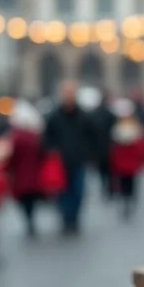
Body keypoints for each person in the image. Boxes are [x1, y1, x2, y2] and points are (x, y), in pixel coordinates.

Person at [44, 82, 96, 235]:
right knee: (63, 193)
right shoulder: (54, 116)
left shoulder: (84, 116)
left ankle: (74, 218)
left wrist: (89, 153)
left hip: (78, 160)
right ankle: (66, 218)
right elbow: (47, 138)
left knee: (78, 192)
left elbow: (92, 136)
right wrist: (52, 151)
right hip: (60, 162)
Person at [6, 100, 46, 238]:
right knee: (32, 200)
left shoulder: (16, 137)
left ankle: (28, 220)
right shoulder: (36, 136)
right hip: (34, 174)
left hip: (20, 175)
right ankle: (31, 219)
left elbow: (11, 156)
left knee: (24, 201)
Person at [110, 101, 144, 220]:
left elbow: (142, 147)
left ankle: (129, 202)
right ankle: (125, 202)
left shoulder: (136, 129)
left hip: (131, 163)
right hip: (122, 164)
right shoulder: (117, 129)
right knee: (123, 185)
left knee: (131, 185)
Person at [89, 91, 117, 199]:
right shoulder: (110, 114)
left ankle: (105, 186)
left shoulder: (94, 114)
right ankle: (109, 188)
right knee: (109, 171)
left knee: (102, 171)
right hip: (108, 147)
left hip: (99, 148)